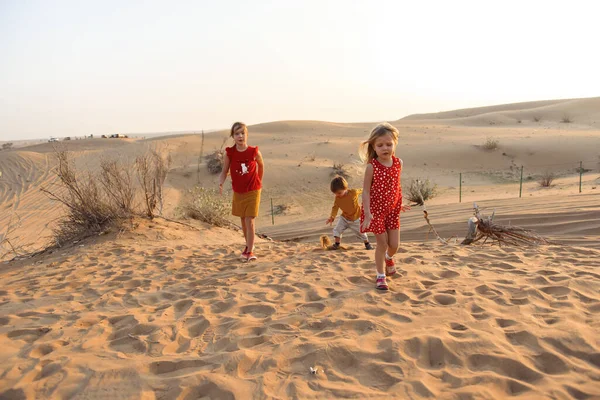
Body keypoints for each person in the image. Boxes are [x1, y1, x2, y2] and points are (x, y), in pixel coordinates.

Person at [360, 123, 410, 290]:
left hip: (392, 211)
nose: (385, 148)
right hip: (375, 212)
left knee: (394, 245)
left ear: (395, 143)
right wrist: (367, 213)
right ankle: (381, 276)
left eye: (389, 144)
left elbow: (397, 185)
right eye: (380, 145)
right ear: (374, 147)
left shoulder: (398, 163)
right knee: (382, 243)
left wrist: (399, 202)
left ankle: (389, 257)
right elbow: (365, 192)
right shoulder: (371, 167)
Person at [219, 122, 264, 261]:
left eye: (242, 133)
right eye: (237, 133)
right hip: (238, 191)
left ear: (247, 135)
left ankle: (250, 251)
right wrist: (221, 182)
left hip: (253, 190)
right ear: (233, 136)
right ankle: (248, 245)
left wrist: (258, 181)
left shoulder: (254, 151)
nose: (240, 136)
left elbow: (261, 166)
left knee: (250, 220)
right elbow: (224, 171)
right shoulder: (230, 153)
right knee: (243, 221)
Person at [326, 176, 373, 250]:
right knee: (337, 230)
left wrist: (369, 188)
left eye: (339, 193)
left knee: (361, 232)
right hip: (344, 218)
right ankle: (336, 244)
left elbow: (362, 190)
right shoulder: (337, 198)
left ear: (345, 188)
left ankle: (367, 244)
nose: (337, 195)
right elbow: (335, 207)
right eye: (335, 193)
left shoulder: (353, 193)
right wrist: (332, 217)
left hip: (356, 218)